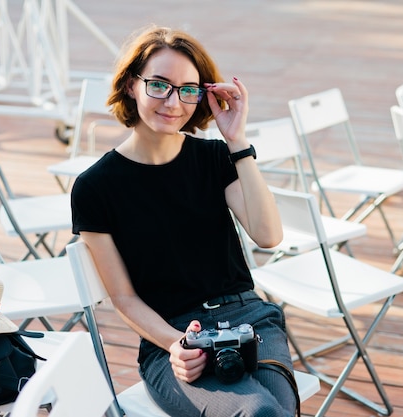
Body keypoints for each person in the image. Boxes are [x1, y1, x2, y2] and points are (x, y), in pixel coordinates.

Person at [71, 25, 296, 417]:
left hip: (249, 318)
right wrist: (177, 343)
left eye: (188, 89)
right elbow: (123, 298)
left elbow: (268, 235)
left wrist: (237, 143)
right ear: (130, 85)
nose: (173, 102)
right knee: (262, 412)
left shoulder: (214, 159)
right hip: (171, 339)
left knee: (275, 411)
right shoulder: (94, 187)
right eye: (159, 85)